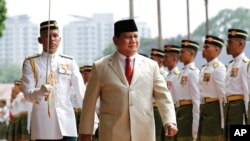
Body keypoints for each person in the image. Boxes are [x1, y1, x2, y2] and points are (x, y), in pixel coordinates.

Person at [79, 19, 178, 141]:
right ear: (115, 40)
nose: (133, 41)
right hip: (112, 132)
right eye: (128, 37)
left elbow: (163, 96)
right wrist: (85, 132)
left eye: (136, 36)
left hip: (143, 131)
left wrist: (170, 121)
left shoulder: (151, 65)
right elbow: (89, 101)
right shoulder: (101, 66)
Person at [22, 20, 85, 141]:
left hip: (67, 124)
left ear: (60, 39)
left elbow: (82, 93)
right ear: (40, 40)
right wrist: (39, 91)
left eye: (55, 36)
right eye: (47, 36)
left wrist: (92, 120)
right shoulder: (31, 63)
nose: (52, 39)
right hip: (43, 126)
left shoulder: (69, 62)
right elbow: (27, 94)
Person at [198, 35, 226, 140]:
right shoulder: (204, 69)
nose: (203, 50)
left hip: (214, 112)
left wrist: (223, 123)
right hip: (204, 110)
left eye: (206, 47)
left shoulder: (219, 68)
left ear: (217, 50)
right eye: (203, 47)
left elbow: (223, 96)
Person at [224, 29, 249, 140]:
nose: (227, 45)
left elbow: (247, 92)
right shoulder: (230, 65)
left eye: (230, 42)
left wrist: (247, 117)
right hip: (229, 109)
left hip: (240, 110)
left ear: (240, 43)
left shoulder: (246, 64)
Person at [176, 40, 200, 141]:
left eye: (182, 52)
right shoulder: (182, 72)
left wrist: (195, 126)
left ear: (191, 54)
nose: (179, 54)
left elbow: (196, 99)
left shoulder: (193, 73)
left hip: (188, 114)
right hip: (181, 111)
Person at [150, 48, 169, 141]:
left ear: (161, 60)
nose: (150, 60)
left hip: (158, 109)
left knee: (157, 136)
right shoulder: (149, 73)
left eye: (153, 58)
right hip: (149, 109)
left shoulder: (165, 75)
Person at [163, 44, 181, 141]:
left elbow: (177, 98)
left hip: (176, 113)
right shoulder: (167, 76)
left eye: (166, 57)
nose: (163, 59)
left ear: (174, 59)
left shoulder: (178, 76)